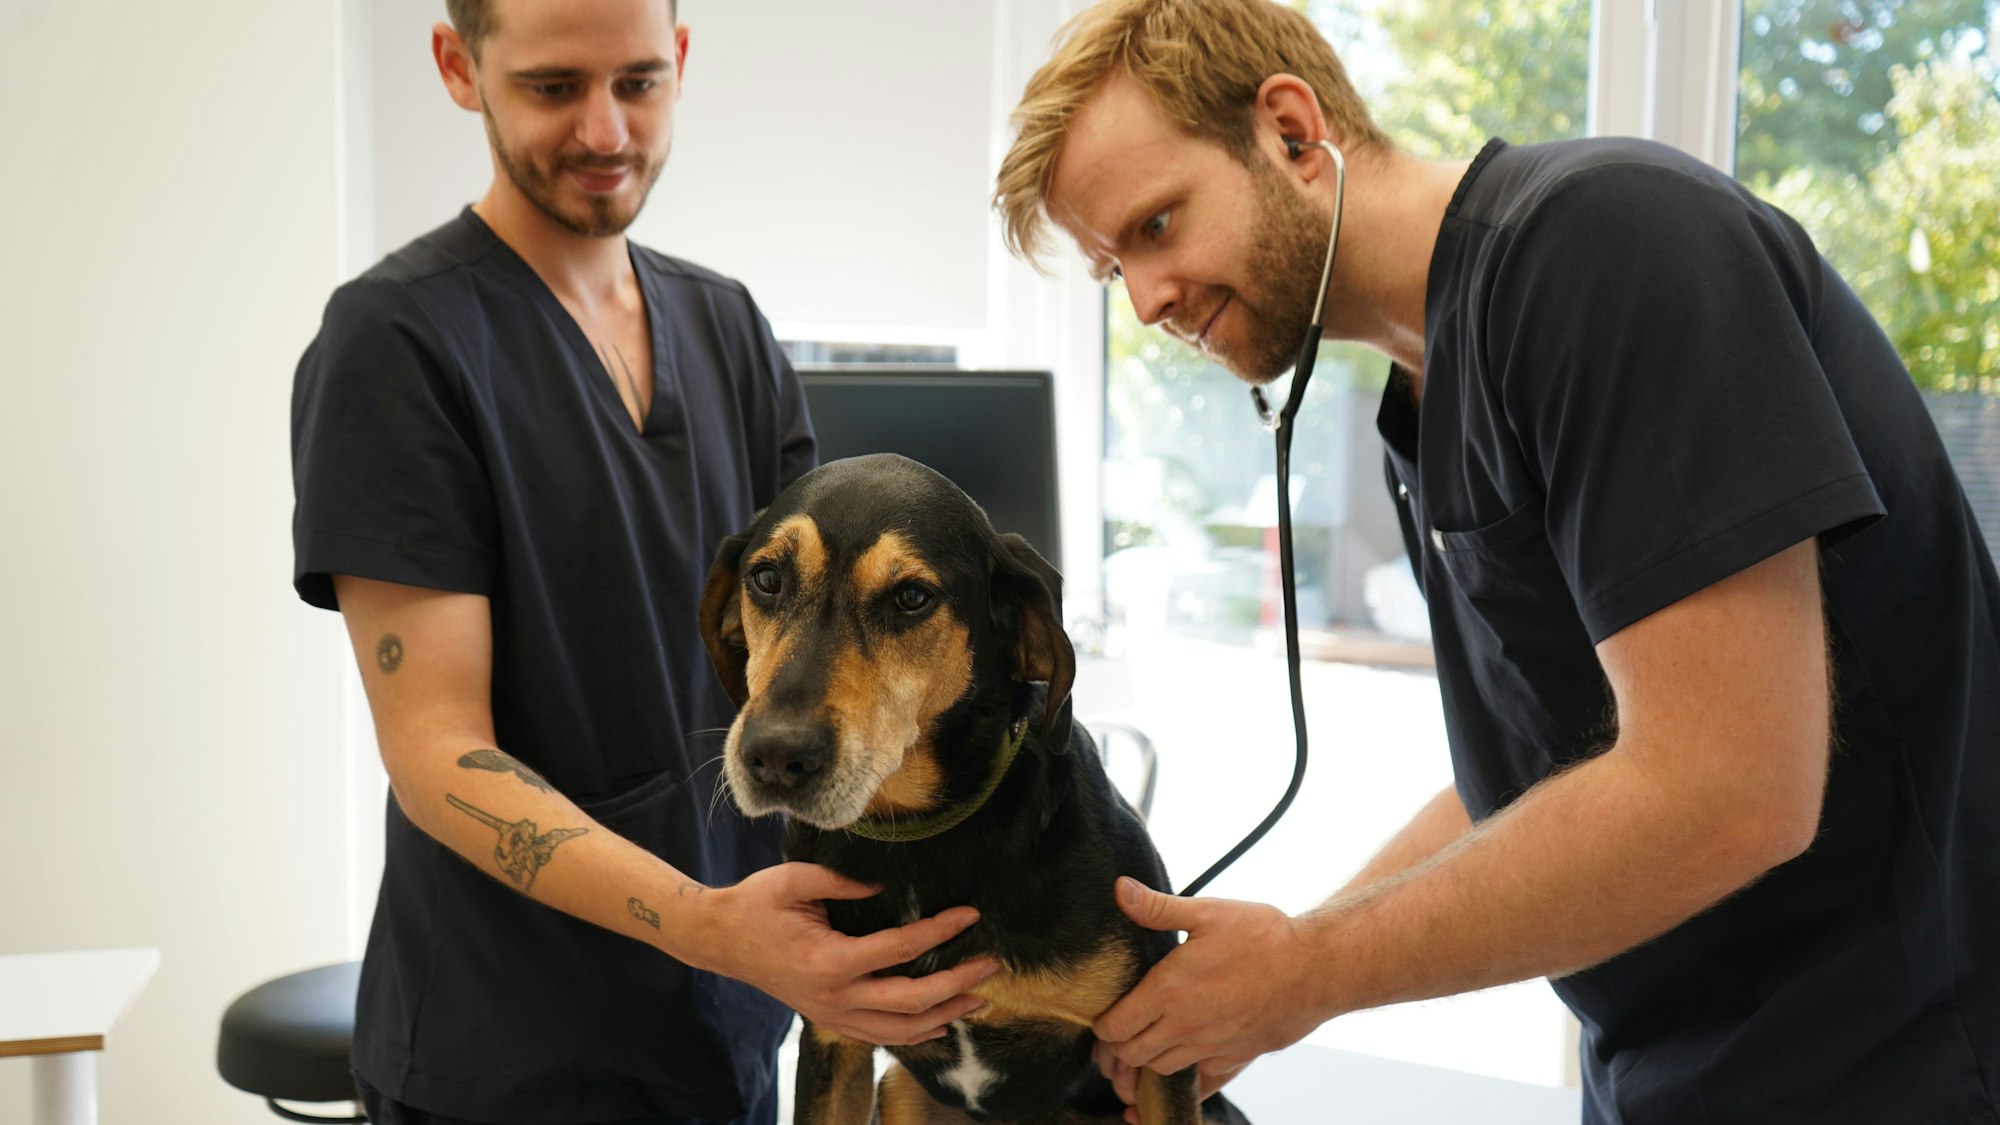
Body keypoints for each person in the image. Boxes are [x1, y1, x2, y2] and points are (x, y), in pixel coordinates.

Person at [992, 0, 2000, 1122]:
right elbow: (1524, 785)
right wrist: (1264, 974)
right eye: (1112, 272)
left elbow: (1730, 788)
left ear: (1289, 130)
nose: (1146, 302)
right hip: (1670, 1074)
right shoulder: (1426, 403)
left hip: (1891, 1065)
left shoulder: (1605, 245)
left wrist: (1305, 973)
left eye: (1156, 226)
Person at [290, 2, 997, 1122]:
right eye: (553, 87)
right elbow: (433, 747)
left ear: (681, 59)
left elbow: (824, 660)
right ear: (458, 66)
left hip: (730, 1028)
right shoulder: (396, 343)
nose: (605, 131)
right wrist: (709, 925)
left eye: (637, 82)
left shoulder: (726, 327)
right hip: (510, 1053)